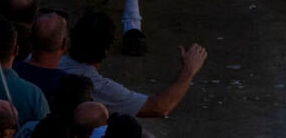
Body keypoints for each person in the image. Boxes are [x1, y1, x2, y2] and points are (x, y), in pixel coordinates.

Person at [57, 12, 207, 118]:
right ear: (107, 50)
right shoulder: (98, 87)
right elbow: (159, 107)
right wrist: (188, 70)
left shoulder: (51, 63)